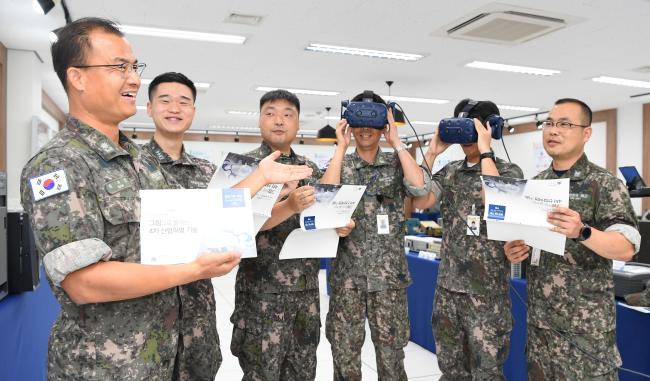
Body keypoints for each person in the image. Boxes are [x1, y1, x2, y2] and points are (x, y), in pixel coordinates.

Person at [20, 18, 311, 380]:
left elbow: (198, 217)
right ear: (77, 77)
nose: (133, 79)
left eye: (133, 67)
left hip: (170, 353)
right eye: (118, 67)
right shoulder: (58, 165)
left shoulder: (139, 160)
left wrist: (260, 178)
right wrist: (195, 270)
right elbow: (83, 282)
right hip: (109, 366)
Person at [504, 98, 641, 380]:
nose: (553, 131)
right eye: (549, 123)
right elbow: (533, 242)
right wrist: (518, 250)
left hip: (585, 337)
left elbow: (626, 248)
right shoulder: (536, 184)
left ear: (586, 133)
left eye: (564, 124)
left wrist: (583, 231)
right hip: (542, 331)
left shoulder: (603, 184)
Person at [230, 89, 354, 381]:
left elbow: (323, 210)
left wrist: (338, 224)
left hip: (305, 295)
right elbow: (232, 224)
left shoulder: (306, 167)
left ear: (298, 123)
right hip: (260, 295)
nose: (279, 120)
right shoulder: (242, 168)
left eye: (288, 114)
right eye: (270, 113)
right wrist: (289, 206)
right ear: (259, 119)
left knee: (302, 373)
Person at [321, 92, 430, 380]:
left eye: (373, 120)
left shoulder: (396, 163)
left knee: (392, 359)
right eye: (359, 120)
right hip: (348, 281)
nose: (365, 128)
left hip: (389, 282)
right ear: (349, 123)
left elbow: (420, 189)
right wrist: (340, 147)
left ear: (384, 124)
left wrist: (397, 142)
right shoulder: (340, 164)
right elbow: (324, 200)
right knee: (345, 357)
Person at [418, 99, 523, 379]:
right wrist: (432, 151)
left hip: (487, 295)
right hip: (448, 291)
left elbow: (498, 205)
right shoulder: (451, 171)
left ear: (492, 130)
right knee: (451, 370)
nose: (467, 139)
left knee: (486, 372)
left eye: (473, 129)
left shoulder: (509, 172)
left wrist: (486, 151)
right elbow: (420, 198)